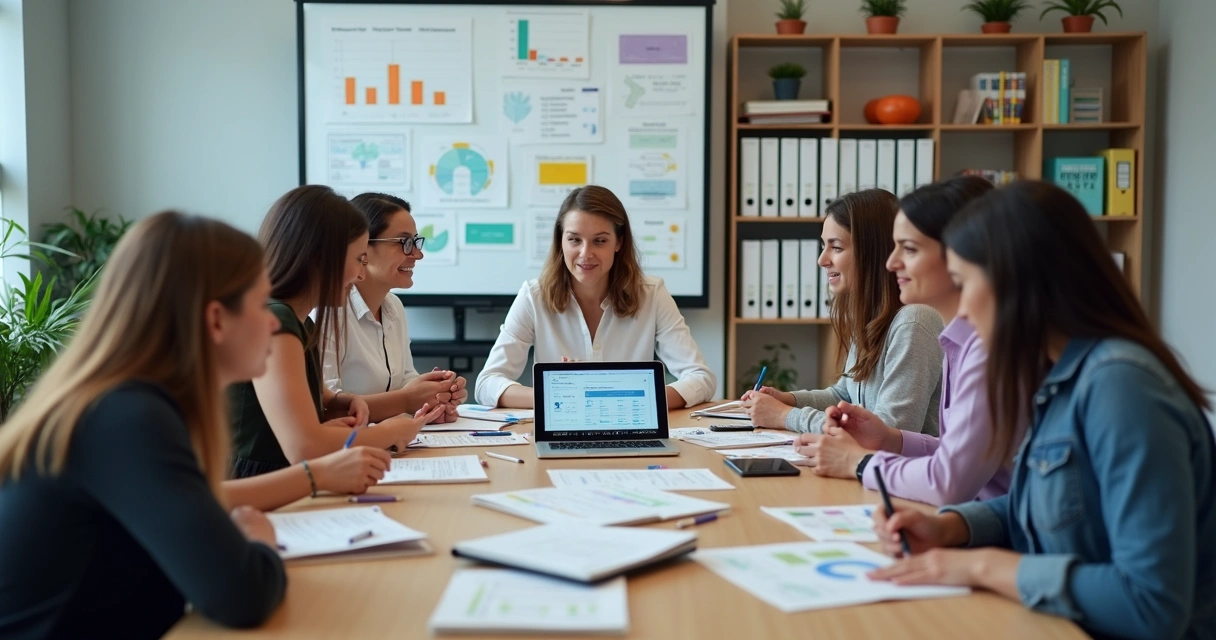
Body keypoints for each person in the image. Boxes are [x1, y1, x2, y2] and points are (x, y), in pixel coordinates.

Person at [0, 212, 388, 638]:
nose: (275, 322)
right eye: (261, 304)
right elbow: (242, 595)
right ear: (216, 319)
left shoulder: (127, 403)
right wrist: (258, 541)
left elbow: (200, 501)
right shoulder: (128, 419)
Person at [869, 180, 1216, 640]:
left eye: (966, 283)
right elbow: (1050, 504)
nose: (965, 309)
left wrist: (984, 566)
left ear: (1019, 284)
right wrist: (952, 528)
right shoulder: (1059, 375)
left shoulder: (1122, 386)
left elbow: (1151, 603)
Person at [798, 176, 1019, 506]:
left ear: (960, 254)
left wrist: (858, 462)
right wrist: (891, 440)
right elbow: (953, 454)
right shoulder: (958, 340)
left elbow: (951, 481)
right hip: (973, 516)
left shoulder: (975, 344)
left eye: (910, 249)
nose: (891, 262)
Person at [229, 186, 444, 478]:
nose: (359, 274)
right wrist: (389, 432)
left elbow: (308, 401)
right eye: (358, 259)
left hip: (287, 477)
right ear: (320, 258)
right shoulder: (276, 324)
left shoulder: (297, 321)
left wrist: (335, 402)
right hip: (265, 485)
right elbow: (304, 446)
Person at [475, 185, 715, 410]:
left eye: (599, 241)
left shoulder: (651, 294)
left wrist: (631, 399)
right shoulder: (534, 296)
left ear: (619, 242)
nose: (585, 253)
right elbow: (487, 384)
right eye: (574, 240)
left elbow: (701, 378)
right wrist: (556, 394)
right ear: (561, 241)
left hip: (629, 430)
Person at [742, 189, 944, 439]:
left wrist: (785, 416)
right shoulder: (872, 317)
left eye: (835, 247)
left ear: (873, 252)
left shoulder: (914, 322)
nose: (822, 260)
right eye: (823, 246)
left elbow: (890, 431)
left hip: (896, 474)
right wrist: (788, 400)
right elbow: (844, 396)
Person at [322, 193, 467, 423]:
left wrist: (437, 396)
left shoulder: (394, 307)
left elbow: (403, 381)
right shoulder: (327, 312)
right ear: (363, 247)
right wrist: (408, 400)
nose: (417, 254)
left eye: (416, 242)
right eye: (404, 243)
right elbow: (327, 410)